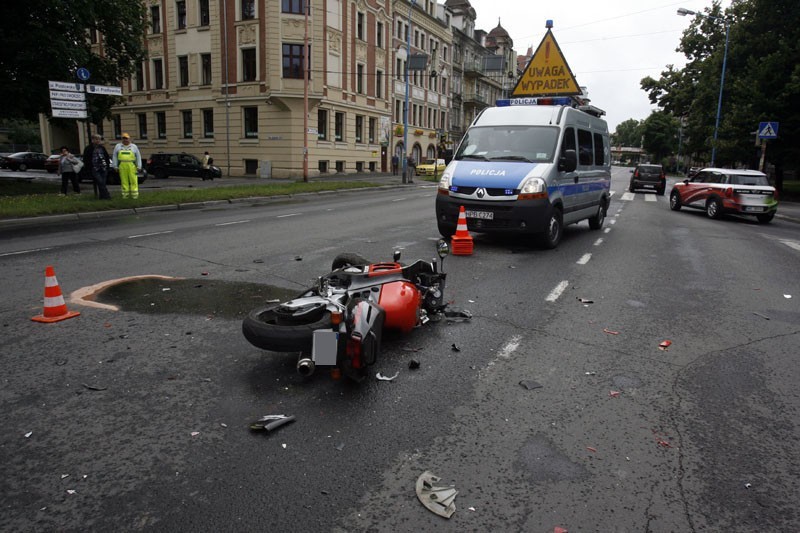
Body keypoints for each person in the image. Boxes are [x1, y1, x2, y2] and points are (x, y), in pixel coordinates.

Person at [112, 133, 142, 199]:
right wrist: (115, 166)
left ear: (129, 139)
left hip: (131, 165)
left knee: (133, 180)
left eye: (126, 138)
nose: (125, 140)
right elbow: (114, 156)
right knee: (124, 181)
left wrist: (139, 166)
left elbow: (138, 157)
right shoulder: (118, 146)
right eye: (124, 138)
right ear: (122, 139)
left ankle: (135, 196)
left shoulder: (134, 146)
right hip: (122, 165)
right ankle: (125, 195)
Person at [82, 134, 112, 199]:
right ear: (93, 140)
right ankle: (107, 196)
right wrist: (88, 168)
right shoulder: (88, 148)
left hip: (103, 167)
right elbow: (86, 159)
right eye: (96, 139)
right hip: (95, 168)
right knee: (100, 182)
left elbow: (106, 157)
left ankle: (102, 197)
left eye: (99, 139)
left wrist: (107, 165)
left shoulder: (102, 148)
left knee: (103, 183)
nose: (98, 141)